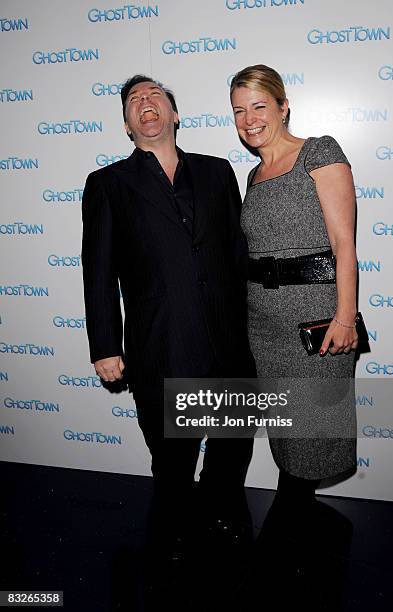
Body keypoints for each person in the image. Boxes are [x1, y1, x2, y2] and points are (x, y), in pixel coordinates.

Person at [81, 74, 256, 558]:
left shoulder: (218, 172)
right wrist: (105, 346)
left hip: (228, 340)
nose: (145, 102)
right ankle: (175, 536)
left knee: (230, 445)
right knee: (172, 460)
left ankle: (221, 520)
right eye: (134, 100)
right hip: (162, 344)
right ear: (127, 124)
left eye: (155, 94)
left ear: (174, 115)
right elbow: (97, 272)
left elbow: (236, 256)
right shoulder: (108, 184)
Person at [230, 64, 358, 506]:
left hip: (315, 324)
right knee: (287, 432)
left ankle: (292, 533)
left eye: (259, 106)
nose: (249, 120)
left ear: (284, 107)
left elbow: (344, 246)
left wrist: (344, 318)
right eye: (239, 110)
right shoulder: (253, 177)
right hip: (264, 326)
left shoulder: (318, 152)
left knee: (312, 435)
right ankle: (298, 528)